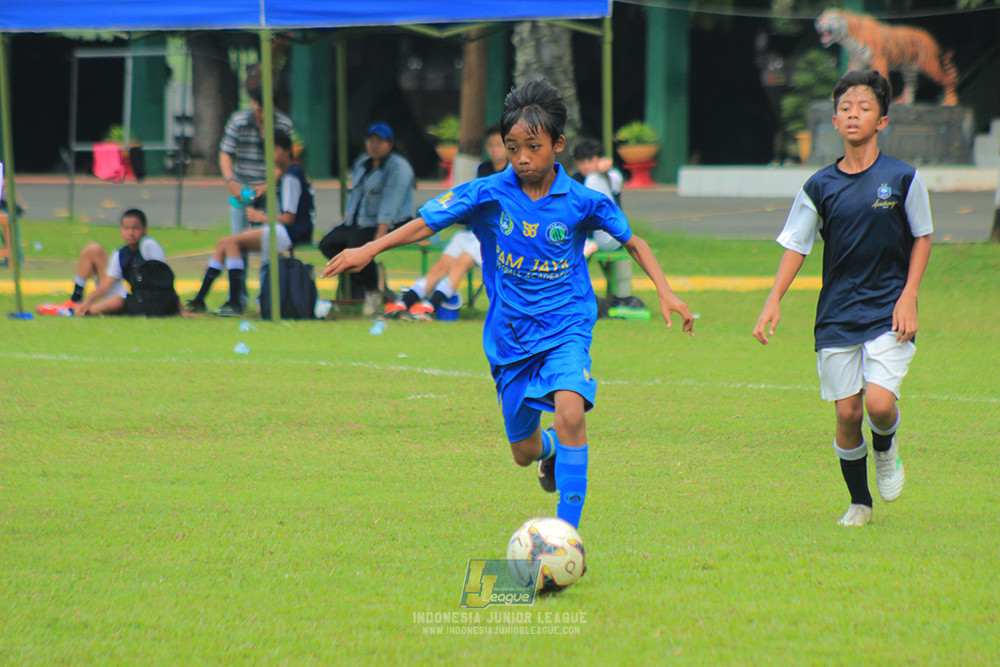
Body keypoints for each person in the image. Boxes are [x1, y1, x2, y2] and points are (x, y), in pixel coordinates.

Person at [322, 80, 695, 531]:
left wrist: (665, 290)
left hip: (566, 326)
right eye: (513, 147)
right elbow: (424, 224)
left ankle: (566, 535)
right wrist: (369, 250)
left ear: (557, 145)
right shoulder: (487, 193)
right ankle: (550, 452)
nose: (522, 158)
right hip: (510, 337)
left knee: (571, 410)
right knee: (524, 452)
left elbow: (633, 242)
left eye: (533, 147)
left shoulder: (582, 201)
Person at [752, 70, 933, 528]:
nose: (854, 115)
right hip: (836, 313)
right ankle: (859, 502)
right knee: (847, 413)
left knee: (876, 405)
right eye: (846, 109)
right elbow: (797, 244)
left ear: (883, 120)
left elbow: (923, 237)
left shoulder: (903, 178)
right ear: (834, 120)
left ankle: (887, 449)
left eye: (865, 108)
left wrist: (909, 295)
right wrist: (773, 301)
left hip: (888, 309)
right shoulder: (819, 186)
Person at [187, 130, 315, 316]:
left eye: (275, 150)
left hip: (290, 233)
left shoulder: (291, 178)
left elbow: (289, 218)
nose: (271, 155)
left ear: (288, 151)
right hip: (282, 230)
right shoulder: (286, 174)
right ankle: (201, 299)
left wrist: (260, 217)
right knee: (224, 242)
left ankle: (235, 302)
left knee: (230, 242)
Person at [318, 121, 415, 315]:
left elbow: (391, 200)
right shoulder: (363, 163)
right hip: (361, 221)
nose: (374, 145)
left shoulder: (399, 167)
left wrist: (382, 231)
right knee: (328, 244)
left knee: (356, 247)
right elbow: (355, 192)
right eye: (370, 140)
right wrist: (347, 219)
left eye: (379, 141)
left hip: (392, 223)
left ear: (390, 144)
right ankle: (372, 281)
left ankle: (372, 292)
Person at [219, 85, 295, 307]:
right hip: (241, 189)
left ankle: (267, 297)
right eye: (260, 110)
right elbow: (225, 153)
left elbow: (287, 159)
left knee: (269, 244)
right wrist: (230, 182)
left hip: (271, 190)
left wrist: (269, 183)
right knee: (237, 241)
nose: (263, 115)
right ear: (253, 103)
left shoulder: (283, 123)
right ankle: (238, 297)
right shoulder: (238, 121)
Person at [36, 208, 182, 316]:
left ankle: (71, 312)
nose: (130, 232)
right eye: (126, 228)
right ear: (121, 230)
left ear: (144, 230)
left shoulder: (149, 246)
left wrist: (179, 308)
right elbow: (107, 285)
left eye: (135, 228)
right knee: (92, 249)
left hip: (144, 299)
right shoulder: (121, 253)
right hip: (129, 296)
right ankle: (76, 302)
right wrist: (88, 300)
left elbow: (165, 279)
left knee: (117, 301)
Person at [571, 137, 624, 257]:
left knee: (593, 178)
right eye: (581, 162)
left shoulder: (612, 175)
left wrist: (603, 172)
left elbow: (613, 185)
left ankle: (588, 239)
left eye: (590, 160)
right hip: (586, 236)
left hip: (611, 235)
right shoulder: (575, 180)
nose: (586, 166)